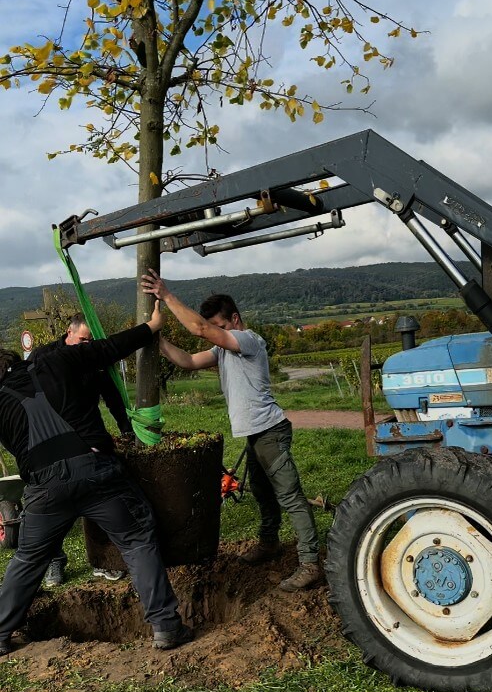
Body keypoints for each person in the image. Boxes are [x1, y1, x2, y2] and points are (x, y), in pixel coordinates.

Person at [0, 301, 192, 657]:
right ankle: (166, 627)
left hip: (44, 487)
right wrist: (151, 326)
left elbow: (17, 444)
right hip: (93, 470)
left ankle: (0, 633)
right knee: (136, 539)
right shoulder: (54, 360)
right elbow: (108, 348)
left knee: (28, 558)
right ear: (14, 361)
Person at [141, 269, 321, 592]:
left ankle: (310, 563)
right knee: (265, 495)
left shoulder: (248, 340)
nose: (214, 333)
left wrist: (166, 296)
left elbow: (199, 329)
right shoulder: (223, 350)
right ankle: (269, 543)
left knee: (290, 496)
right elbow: (187, 361)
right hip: (255, 436)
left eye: (220, 327)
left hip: (270, 431)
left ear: (235, 320)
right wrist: (156, 338)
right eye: (215, 328)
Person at [30, 314, 132, 586]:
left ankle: (104, 560)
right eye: (84, 340)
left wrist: (126, 430)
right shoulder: (45, 357)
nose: (88, 345)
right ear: (69, 333)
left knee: (99, 498)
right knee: (53, 504)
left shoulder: (95, 361)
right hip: (53, 439)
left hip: (89, 438)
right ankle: (54, 561)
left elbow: (113, 399)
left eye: (91, 341)